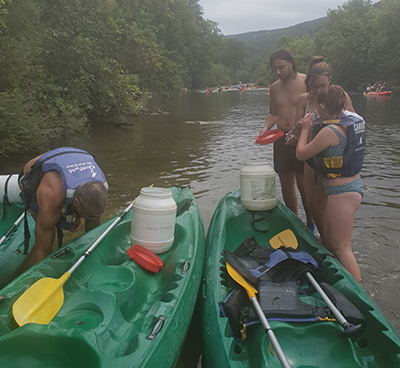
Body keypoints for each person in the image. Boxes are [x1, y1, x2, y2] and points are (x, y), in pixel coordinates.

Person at [296, 85, 366, 282]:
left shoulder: (330, 132)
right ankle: (339, 279)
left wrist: (305, 129)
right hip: (351, 189)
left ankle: (361, 296)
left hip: (341, 193)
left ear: (324, 105)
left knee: (342, 248)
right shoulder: (348, 120)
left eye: (318, 108)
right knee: (329, 241)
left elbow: (301, 153)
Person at [288, 57, 355, 242]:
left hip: (333, 157)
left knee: (330, 203)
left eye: (322, 86)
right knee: (311, 203)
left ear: (330, 80)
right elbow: (296, 127)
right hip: (312, 155)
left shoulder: (341, 97)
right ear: (308, 82)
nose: (318, 91)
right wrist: (299, 130)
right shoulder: (304, 99)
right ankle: (325, 240)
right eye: (313, 86)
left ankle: (335, 243)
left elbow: (354, 123)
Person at [18, 147, 108, 267]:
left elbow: (93, 219)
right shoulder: (52, 194)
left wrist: (80, 215)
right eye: (88, 215)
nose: (91, 218)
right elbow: (42, 250)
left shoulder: (100, 187)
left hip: (69, 160)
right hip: (32, 176)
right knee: (46, 228)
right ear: (76, 203)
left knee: (92, 214)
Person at [259, 49, 314, 230]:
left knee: (304, 184)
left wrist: (301, 132)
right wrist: (266, 128)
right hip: (281, 138)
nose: (278, 72)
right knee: (286, 183)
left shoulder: (307, 82)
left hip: (302, 138)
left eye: (281, 67)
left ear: (291, 62)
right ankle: (295, 221)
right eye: (275, 69)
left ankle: (311, 223)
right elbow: (273, 113)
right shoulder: (274, 87)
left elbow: (315, 110)